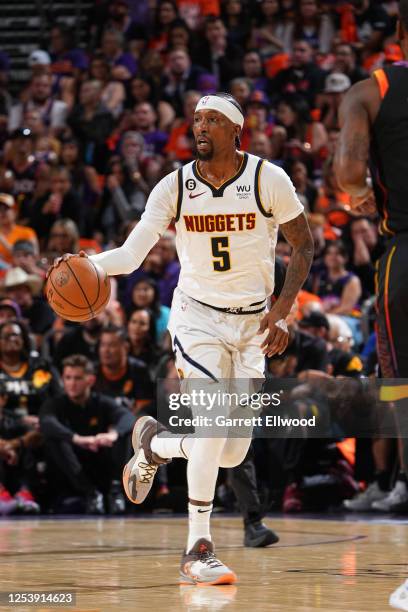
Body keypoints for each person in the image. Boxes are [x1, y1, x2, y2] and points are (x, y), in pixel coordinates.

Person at [52, 92, 314, 585]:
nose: (200, 127)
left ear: (236, 131)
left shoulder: (266, 178)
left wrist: (281, 313)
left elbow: (304, 245)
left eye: (212, 120)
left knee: (232, 451)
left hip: (254, 324)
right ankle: (198, 548)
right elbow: (131, 255)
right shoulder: (173, 186)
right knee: (214, 426)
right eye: (196, 119)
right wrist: (85, 266)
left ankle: (155, 445)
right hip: (197, 319)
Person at [334, 4, 408, 608]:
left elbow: (348, 173)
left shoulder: (371, 90)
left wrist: (360, 195)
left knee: (403, 396)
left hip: (405, 259)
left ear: (400, 35)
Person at [40, 354, 134, 515]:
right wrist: (76, 439)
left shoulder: (101, 402)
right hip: (73, 469)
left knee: (126, 433)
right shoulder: (56, 404)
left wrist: (113, 434)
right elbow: (46, 422)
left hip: (101, 460)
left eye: (77, 378)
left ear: (90, 380)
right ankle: (91, 493)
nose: (72, 383)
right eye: (68, 378)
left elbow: (129, 417)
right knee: (53, 439)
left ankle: (116, 491)